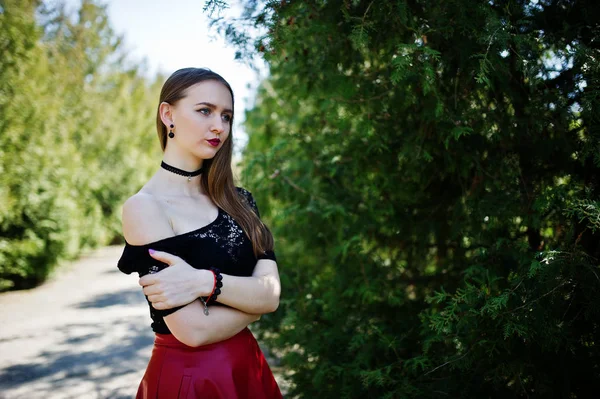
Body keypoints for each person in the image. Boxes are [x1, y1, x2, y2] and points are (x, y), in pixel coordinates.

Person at [116, 67, 283, 399]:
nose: (218, 126)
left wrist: (204, 282)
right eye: (205, 110)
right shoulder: (145, 207)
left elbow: (271, 294)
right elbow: (194, 330)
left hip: (249, 368)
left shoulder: (240, 200)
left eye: (226, 116)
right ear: (168, 114)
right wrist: (254, 302)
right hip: (191, 379)